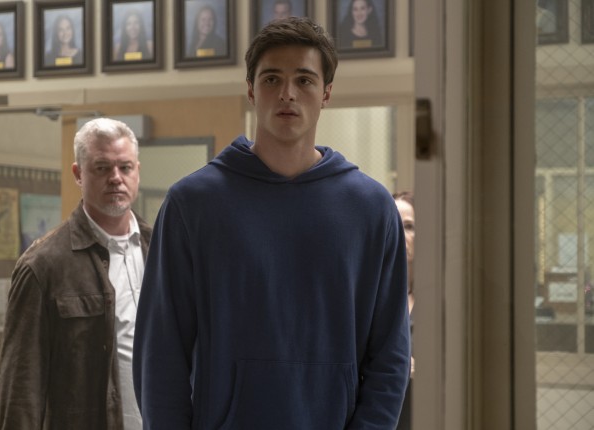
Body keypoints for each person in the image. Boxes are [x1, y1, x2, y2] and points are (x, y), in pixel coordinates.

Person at [134, 16, 411, 429]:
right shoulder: (192, 204)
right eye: (271, 79)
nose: (287, 93)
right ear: (250, 90)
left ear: (326, 92)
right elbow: (161, 352)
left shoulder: (371, 208)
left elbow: (390, 354)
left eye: (304, 80)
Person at [0, 118, 152, 430]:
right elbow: (21, 388)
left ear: (137, 170)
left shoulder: (162, 248)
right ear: (78, 174)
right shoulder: (43, 265)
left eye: (125, 167)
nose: (116, 178)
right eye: (102, 168)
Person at [393, 191, 415, 430]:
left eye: (408, 226)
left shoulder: (440, 301)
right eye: (394, 225)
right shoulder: (368, 294)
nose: (400, 234)